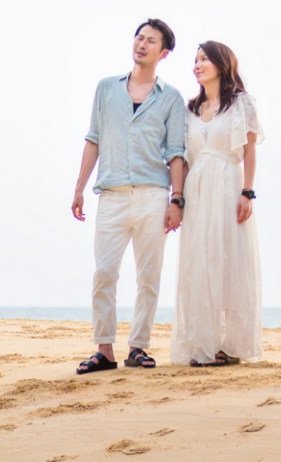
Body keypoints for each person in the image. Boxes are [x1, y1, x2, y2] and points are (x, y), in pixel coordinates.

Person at [72, 18, 187, 375]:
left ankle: (139, 346)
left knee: (148, 277)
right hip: (112, 194)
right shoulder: (106, 89)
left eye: (151, 41)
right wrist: (78, 187)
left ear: (163, 52)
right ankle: (104, 349)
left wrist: (177, 199)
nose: (142, 44)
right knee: (104, 273)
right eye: (139, 38)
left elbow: (176, 152)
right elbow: (94, 138)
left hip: (154, 195)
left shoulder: (171, 98)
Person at [171, 41, 264, 368]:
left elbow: (250, 150)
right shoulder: (189, 109)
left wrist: (247, 192)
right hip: (197, 188)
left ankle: (230, 344)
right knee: (200, 261)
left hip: (228, 184)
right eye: (195, 60)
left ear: (222, 64)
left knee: (230, 260)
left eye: (204, 59)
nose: (197, 65)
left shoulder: (241, 104)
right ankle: (203, 344)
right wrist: (178, 198)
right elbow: (181, 156)